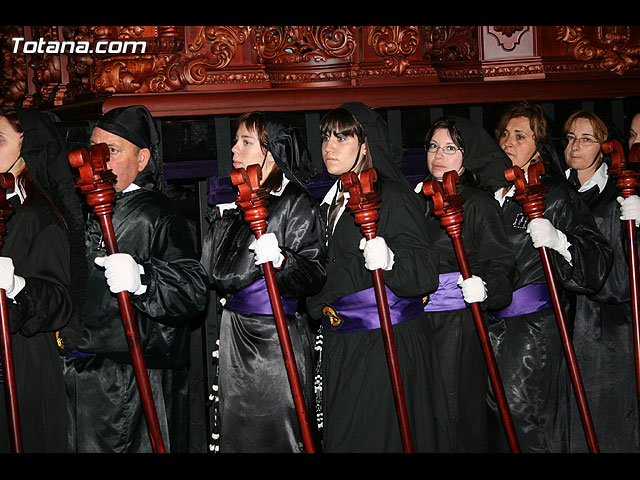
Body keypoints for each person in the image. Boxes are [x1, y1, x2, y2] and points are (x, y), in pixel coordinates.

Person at [61, 105, 209, 453]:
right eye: (93, 149)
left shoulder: (156, 214)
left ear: (142, 159)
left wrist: (144, 279)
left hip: (128, 384)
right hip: (83, 376)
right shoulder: (89, 208)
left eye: (110, 151)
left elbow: (192, 289)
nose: (97, 161)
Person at [306, 102, 449, 453]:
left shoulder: (393, 198)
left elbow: (425, 274)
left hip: (385, 345)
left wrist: (391, 260)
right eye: (326, 137)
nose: (329, 146)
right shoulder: (330, 201)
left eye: (342, 137)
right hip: (344, 344)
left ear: (365, 143)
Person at [487, 101, 613, 453]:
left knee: (523, 411)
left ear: (539, 145)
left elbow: (598, 258)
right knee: (495, 412)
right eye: (505, 134)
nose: (508, 142)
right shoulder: (489, 192)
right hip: (490, 322)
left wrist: (560, 240)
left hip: (532, 326)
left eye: (520, 135)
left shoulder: (554, 194)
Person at [200, 111, 325, 453]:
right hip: (236, 333)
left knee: (278, 431)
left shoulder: (295, 202)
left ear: (271, 154)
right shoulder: (243, 200)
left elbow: (314, 273)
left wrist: (283, 259)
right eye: (237, 140)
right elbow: (215, 272)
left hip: (273, 339)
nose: (234, 149)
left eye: (246, 142)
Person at [415, 116, 518, 452]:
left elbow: (501, 263)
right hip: (415, 321)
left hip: (457, 324)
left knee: (455, 413)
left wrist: (486, 288)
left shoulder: (476, 203)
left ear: (467, 155)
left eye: (449, 148)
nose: (438, 155)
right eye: (433, 146)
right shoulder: (417, 199)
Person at [0, 105, 86, 452]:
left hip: (24, 362)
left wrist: (18, 286)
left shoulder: (39, 217)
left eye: (0, 140)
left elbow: (58, 302)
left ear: (27, 149)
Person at [563, 109, 640, 452]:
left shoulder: (613, 196)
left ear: (605, 146)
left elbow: (620, 278)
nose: (576, 146)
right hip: (562, 318)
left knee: (606, 421)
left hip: (603, 326)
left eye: (587, 139)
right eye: (570, 138)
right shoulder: (555, 188)